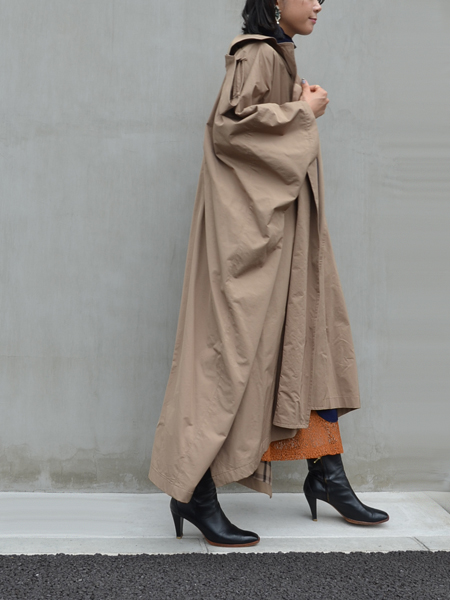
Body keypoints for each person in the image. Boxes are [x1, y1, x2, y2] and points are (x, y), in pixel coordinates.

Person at [149, 0, 389, 548]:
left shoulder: (278, 54)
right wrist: (303, 112)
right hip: (256, 240)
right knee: (230, 361)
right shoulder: (256, 54)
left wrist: (298, 108)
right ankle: (194, 491)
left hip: (288, 233)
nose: (319, 4)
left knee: (310, 342)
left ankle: (326, 473)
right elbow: (231, 131)